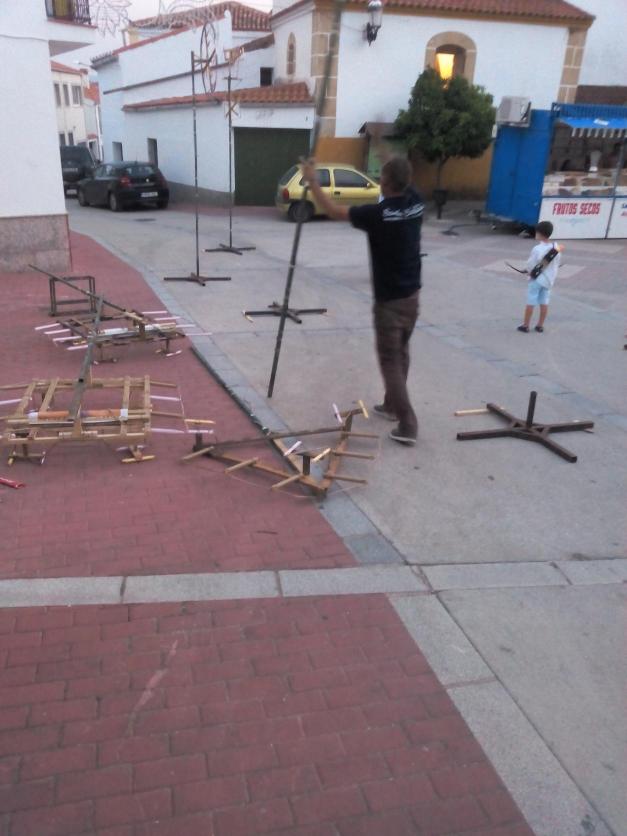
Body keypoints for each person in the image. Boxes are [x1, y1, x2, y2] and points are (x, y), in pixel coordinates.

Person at [301, 156, 424, 446]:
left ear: (385, 183)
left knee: (390, 360)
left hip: (389, 302)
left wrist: (313, 180)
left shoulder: (377, 215)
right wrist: (383, 149)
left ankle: (408, 423)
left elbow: (333, 210)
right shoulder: (416, 202)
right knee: (402, 352)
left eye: (381, 176)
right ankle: (392, 405)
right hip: (412, 296)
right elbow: (401, 174)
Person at [517, 220, 561, 333]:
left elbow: (531, 264)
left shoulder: (537, 249)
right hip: (548, 280)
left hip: (536, 279)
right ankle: (540, 325)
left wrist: (528, 271)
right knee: (544, 302)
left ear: (540, 233)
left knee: (531, 301)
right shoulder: (556, 248)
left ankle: (526, 325)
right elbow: (556, 264)